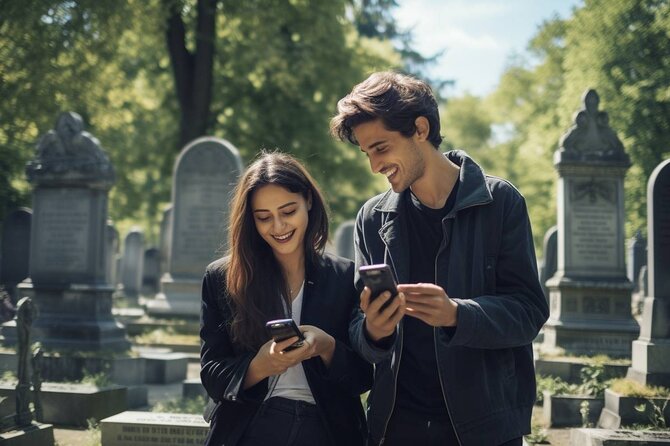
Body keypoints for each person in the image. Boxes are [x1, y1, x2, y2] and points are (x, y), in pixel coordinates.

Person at [330, 71, 549, 446]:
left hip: (485, 428)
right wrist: (374, 331)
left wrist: (456, 314)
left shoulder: (501, 203)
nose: (374, 166)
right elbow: (356, 331)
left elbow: (529, 312)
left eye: (381, 148)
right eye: (367, 153)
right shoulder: (371, 218)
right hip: (395, 427)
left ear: (419, 128)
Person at [200, 151, 372, 446]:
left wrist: (328, 347)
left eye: (288, 211)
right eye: (264, 218)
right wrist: (260, 366)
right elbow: (213, 375)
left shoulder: (345, 277)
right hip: (249, 426)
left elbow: (363, 377)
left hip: (327, 428)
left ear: (308, 200)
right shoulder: (221, 277)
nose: (278, 227)